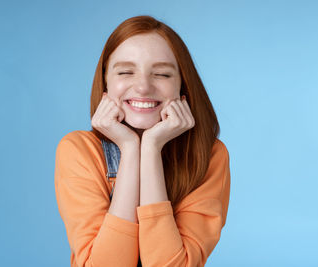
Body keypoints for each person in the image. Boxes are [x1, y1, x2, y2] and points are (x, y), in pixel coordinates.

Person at [54, 15, 231, 267]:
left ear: (182, 85)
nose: (143, 87)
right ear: (106, 81)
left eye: (161, 74)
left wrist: (151, 148)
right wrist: (129, 148)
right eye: (126, 71)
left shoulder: (209, 155)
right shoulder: (78, 151)